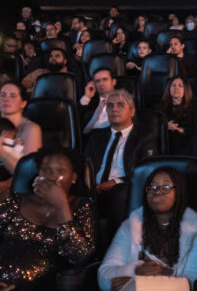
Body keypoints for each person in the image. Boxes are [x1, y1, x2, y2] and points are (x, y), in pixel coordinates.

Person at [98, 167, 197, 291]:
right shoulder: (132, 225)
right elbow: (104, 276)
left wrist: (163, 274)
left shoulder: (196, 227)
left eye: (166, 187)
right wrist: (136, 270)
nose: (157, 191)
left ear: (179, 192)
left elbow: (194, 281)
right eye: (152, 187)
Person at [0, 148, 95, 289]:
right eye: (45, 170)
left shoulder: (81, 206)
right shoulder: (15, 200)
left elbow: (80, 256)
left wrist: (62, 206)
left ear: (74, 177)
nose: (51, 176)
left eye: (60, 171)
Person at [84, 89, 156, 234]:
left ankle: (115, 247)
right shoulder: (97, 136)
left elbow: (146, 170)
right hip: (94, 188)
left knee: (120, 192)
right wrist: (91, 184)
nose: (114, 109)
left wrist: (115, 182)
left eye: (120, 105)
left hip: (124, 189)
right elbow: (84, 165)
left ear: (132, 111)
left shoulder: (144, 138)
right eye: (110, 106)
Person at [0, 81, 42, 174]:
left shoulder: (31, 129)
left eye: (12, 96)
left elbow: (27, 172)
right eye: (3, 95)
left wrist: (1, 151)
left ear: (23, 103)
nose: (6, 99)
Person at [157, 76, 197, 155]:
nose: (176, 88)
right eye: (173, 85)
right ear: (169, 88)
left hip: (186, 143)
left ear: (186, 89)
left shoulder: (194, 107)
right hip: (165, 143)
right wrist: (165, 126)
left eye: (180, 86)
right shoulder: (160, 106)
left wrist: (178, 129)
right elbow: (154, 127)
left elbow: (195, 128)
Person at [80, 68, 117, 135]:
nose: (101, 83)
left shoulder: (123, 100)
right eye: (97, 81)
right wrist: (87, 97)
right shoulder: (90, 102)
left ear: (113, 82)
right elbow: (79, 125)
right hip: (91, 139)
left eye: (105, 79)